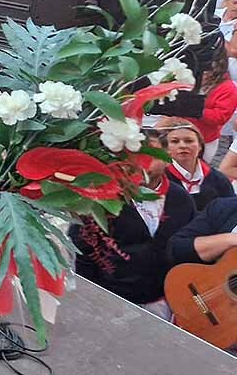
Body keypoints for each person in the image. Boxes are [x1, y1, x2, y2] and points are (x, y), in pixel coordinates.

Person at [69, 131, 193, 320]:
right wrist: (92, 300)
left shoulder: (181, 199)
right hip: (110, 302)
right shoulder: (104, 197)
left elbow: (190, 246)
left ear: (167, 158)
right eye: (136, 156)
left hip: (163, 301)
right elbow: (84, 251)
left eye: (151, 155)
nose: (142, 163)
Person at [159, 117, 234, 211]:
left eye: (189, 141)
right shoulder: (160, 178)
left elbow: (230, 211)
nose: (183, 145)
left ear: (200, 146)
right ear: (166, 148)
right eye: (175, 141)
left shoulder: (218, 179)